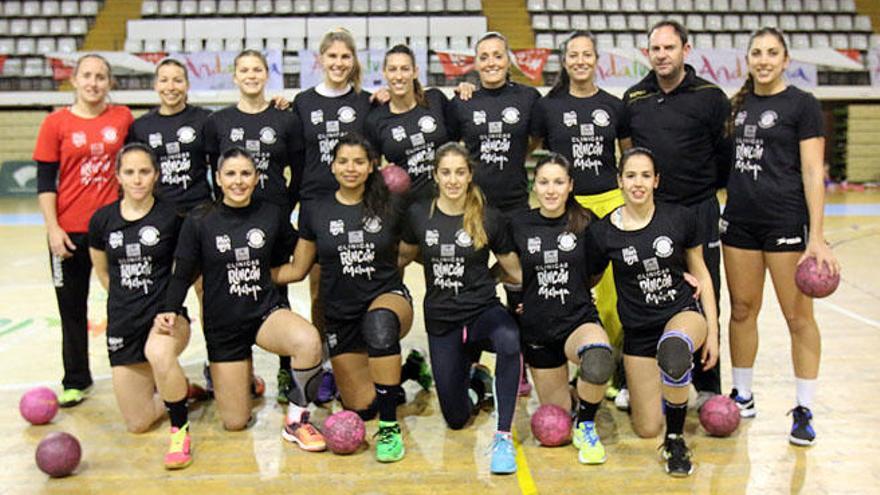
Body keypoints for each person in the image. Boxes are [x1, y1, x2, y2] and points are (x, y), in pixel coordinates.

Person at [154, 148, 326, 452]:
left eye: (246, 173)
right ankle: (244, 380)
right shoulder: (199, 220)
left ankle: (297, 420)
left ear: (256, 178)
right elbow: (182, 273)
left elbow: (298, 251)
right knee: (234, 422)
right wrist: (169, 308)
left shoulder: (271, 213)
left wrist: (272, 273)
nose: (238, 181)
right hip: (223, 325)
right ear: (218, 178)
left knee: (309, 341)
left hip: (264, 313)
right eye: (230, 174)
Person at [722, 27, 839, 447]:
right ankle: (743, 394)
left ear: (786, 60)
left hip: (787, 224)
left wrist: (818, 237)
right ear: (748, 59)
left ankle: (804, 408)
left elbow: (813, 172)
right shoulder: (737, 106)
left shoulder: (802, 105)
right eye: (757, 53)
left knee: (798, 318)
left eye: (772, 53)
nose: (764, 60)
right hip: (739, 223)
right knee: (741, 310)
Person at [275, 134, 422, 463]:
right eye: (343, 161)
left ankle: (389, 427)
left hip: (387, 299)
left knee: (379, 325)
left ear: (372, 167)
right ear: (332, 165)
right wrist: (261, 274)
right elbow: (299, 267)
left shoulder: (392, 205)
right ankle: (410, 367)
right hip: (341, 315)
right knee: (362, 407)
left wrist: (385, 267)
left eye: (359, 161)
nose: (350, 168)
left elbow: (410, 248)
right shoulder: (315, 210)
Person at [586, 148, 719, 477]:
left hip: (681, 315)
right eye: (630, 176)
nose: (638, 183)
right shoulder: (604, 233)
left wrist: (714, 333)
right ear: (619, 181)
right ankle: (664, 390)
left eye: (646, 175)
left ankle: (675, 440)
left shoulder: (679, 218)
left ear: (656, 180)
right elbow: (587, 280)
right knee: (647, 427)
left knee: (673, 350)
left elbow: (701, 273)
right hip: (640, 333)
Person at [620, 20, 730, 406]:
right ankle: (633, 375)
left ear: (686, 49)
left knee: (702, 291)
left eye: (669, 48)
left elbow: (724, 155)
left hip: (698, 209)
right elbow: (631, 152)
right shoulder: (634, 98)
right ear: (647, 54)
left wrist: (702, 191)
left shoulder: (711, 96)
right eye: (655, 49)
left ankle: (707, 383)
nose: (662, 55)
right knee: (645, 290)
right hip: (653, 213)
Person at [399, 143, 522, 475]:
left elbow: (515, 269)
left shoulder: (488, 216)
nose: (453, 179)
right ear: (435, 176)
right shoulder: (418, 216)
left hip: (482, 312)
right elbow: (400, 259)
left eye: (460, 172)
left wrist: (488, 278)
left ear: (470, 176)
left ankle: (503, 436)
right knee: (456, 419)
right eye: (446, 172)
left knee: (510, 339)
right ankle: (479, 380)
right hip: (442, 320)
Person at [530, 30, 628, 400]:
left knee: (613, 296)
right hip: (567, 208)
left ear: (596, 59)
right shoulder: (547, 106)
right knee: (571, 291)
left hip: (608, 203)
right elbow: (530, 150)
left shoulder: (614, 106)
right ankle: (576, 366)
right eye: (574, 55)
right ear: (565, 60)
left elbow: (629, 158)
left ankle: (616, 369)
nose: (581, 61)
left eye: (587, 54)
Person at [34, 54, 134, 407]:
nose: (94, 83)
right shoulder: (54, 123)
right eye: (87, 76)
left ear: (110, 83)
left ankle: (137, 374)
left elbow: (137, 164)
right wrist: (52, 228)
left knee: (128, 304)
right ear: (74, 80)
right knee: (71, 309)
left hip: (114, 230)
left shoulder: (122, 119)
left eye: (101, 77)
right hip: (69, 233)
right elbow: (45, 181)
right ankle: (76, 379)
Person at [202, 49, 301, 399]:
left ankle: (287, 370)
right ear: (235, 77)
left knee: (278, 290)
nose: (251, 75)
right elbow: (213, 173)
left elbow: (298, 170)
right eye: (244, 70)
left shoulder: (284, 119)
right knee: (229, 290)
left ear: (266, 74)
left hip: (271, 220)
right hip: (232, 219)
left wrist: (283, 206)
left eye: (257, 69)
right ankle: (235, 367)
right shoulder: (219, 122)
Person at [88, 143, 194, 469]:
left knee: (160, 353)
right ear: (118, 176)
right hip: (123, 323)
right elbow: (104, 273)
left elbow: (185, 269)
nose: (137, 179)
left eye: (144, 171)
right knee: (138, 423)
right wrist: (126, 303)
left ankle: (181, 432)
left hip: (165, 318)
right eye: (130, 172)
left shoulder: (172, 216)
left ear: (157, 175)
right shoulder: (102, 220)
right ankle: (181, 388)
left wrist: (169, 307)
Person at [510, 154, 611, 465]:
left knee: (597, 359)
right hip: (539, 331)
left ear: (570, 186)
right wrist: (518, 303)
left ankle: (588, 425)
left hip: (577, 321)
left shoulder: (586, 222)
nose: (551, 190)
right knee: (557, 421)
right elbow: (509, 273)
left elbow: (595, 271)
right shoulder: (519, 224)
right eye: (544, 182)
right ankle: (574, 396)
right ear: (534, 186)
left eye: (558, 182)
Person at [365, 44, 452, 203]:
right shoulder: (376, 119)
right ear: (384, 73)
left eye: (405, 69)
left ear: (415, 72)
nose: (399, 76)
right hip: (408, 209)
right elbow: (371, 167)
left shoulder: (435, 100)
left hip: (448, 202)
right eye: (392, 69)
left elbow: (458, 138)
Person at [127, 58, 212, 212]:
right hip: (159, 209)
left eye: (177, 80)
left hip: (199, 208)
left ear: (187, 84)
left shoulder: (204, 119)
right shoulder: (141, 126)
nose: (170, 87)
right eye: (164, 80)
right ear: (156, 85)